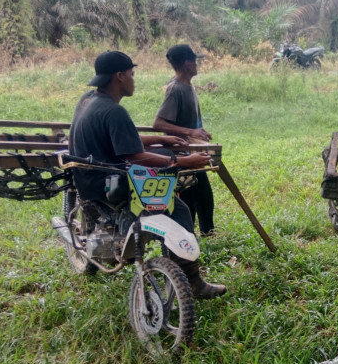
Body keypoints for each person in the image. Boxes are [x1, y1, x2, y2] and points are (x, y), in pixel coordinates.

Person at [69, 50, 226, 299]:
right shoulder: (114, 111)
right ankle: (191, 280)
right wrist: (184, 161)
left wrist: (157, 140)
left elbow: (116, 138)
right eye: (132, 74)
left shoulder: (90, 101)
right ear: (119, 76)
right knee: (179, 209)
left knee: (162, 154)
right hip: (110, 183)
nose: (134, 79)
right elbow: (133, 156)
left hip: (88, 180)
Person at [153, 44, 215, 236]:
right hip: (181, 153)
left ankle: (201, 232)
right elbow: (159, 124)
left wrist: (199, 132)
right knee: (198, 194)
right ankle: (201, 233)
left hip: (192, 150)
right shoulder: (175, 89)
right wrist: (190, 131)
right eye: (195, 60)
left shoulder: (188, 87)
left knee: (198, 193)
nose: (197, 64)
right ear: (187, 63)